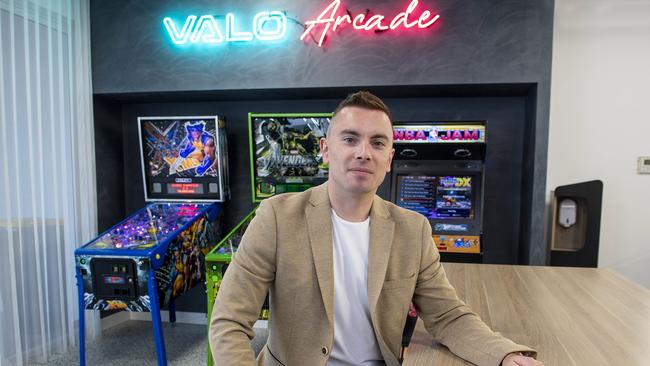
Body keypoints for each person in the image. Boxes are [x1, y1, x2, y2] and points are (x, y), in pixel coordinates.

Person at [209, 91, 543, 366]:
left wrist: (506, 355)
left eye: (378, 143)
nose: (364, 153)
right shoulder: (276, 217)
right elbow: (229, 322)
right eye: (350, 139)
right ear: (326, 150)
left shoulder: (413, 230)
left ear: (390, 157)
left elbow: (448, 316)